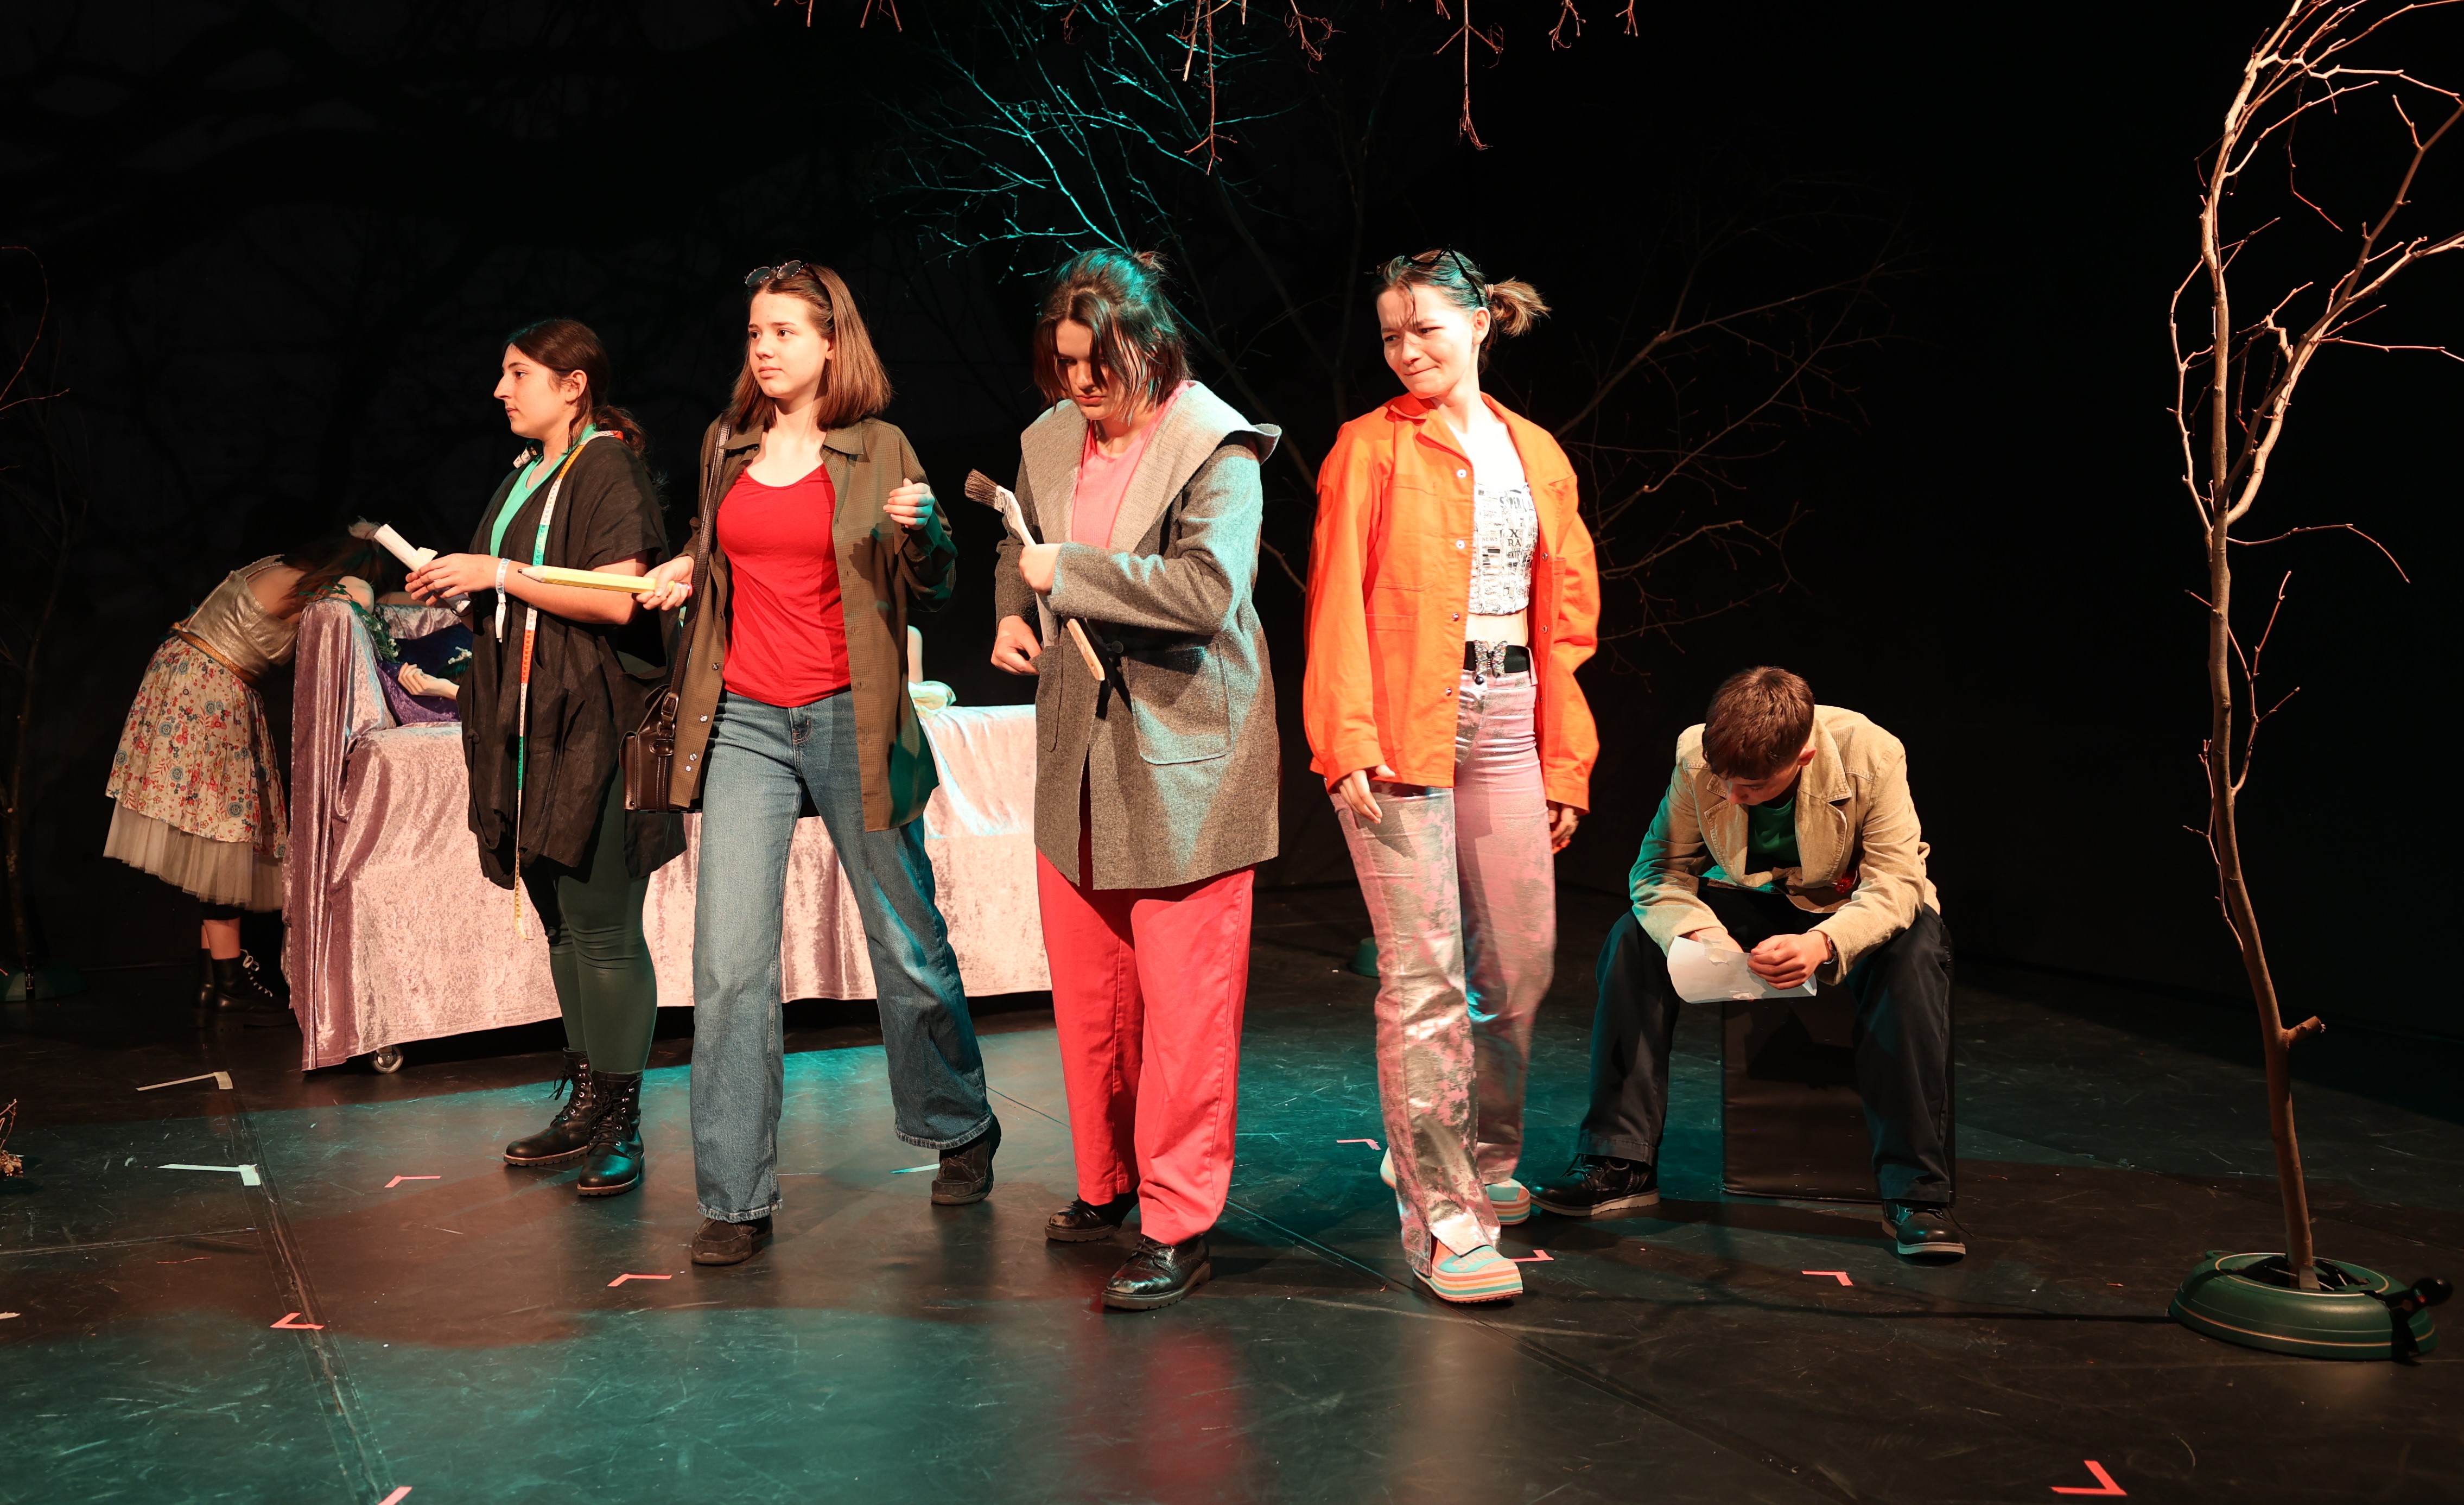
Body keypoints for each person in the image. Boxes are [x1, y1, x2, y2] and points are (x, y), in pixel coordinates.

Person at [631, 262, 996, 1267]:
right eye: (755, 332)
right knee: (728, 964)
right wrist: (688, 566)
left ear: (832, 343)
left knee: (904, 940)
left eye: (785, 331)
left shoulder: (880, 447)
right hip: (745, 717)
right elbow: (719, 551)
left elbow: (937, 582)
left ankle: (958, 1121)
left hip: (849, 713)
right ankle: (734, 1196)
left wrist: (928, 536)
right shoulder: (727, 443)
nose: (765, 349)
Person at [1302, 249, 1599, 1304]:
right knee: (1423, 978)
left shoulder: (1537, 452)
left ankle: (1478, 1156)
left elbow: (1567, 622)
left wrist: (1565, 756)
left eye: (1425, 327)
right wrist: (1344, 738)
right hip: (1402, 727)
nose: (1406, 349)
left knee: (1518, 967)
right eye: (1391, 334)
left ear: (1480, 323)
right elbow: (1335, 598)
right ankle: (1446, 1220)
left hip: (1512, 716)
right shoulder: (1367, 448)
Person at [989, 249, 1280, 1312]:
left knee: (1185, 1009)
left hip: (1185, 759)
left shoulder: (1216, 445)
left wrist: (1064, 575)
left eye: (1096, 365)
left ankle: (1177, 1221)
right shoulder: (1051, 439)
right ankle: (1109, 1182)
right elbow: (1017, 545)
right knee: (1093, 994)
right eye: (1063, 365)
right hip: (1078, 757)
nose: (1079, 384)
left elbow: (1207, 590)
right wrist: (1012, 615)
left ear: (1148, 348)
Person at [1532, 666, 1962, 1259]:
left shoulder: (1872, 753)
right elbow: (1659, 870)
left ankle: (1916, 1192)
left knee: (1916, 950)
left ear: (1803, 756)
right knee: (1633, 939)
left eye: (1752, 786)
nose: (1732, 796)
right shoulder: (1696, 754)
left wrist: (1823, 943)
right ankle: (1617, 1160)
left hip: (1846, 907)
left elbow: (1895, 883)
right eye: (1723, 780)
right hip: (1751, 899)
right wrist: (1701, 932)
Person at [406, 319, 681, 1198]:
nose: (501, 389)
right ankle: (588, 1099)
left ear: (573, 385)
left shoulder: (605, 467)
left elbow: (617, 598)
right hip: (531, 726)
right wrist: (458, 581)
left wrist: (493, 574)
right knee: (562, 921)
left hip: (596, 723)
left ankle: (623, 1119)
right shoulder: (527, 473)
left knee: (602, 926)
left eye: (518, 372)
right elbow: (517, 587)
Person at [106, 533, 396, 1024]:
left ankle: (211, 979)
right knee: (226, 834)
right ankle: (230, 981)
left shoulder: (273, 567)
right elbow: (360, 603)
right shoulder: (316, 589)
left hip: (189, 675)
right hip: (212, 691)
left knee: (213, 835)